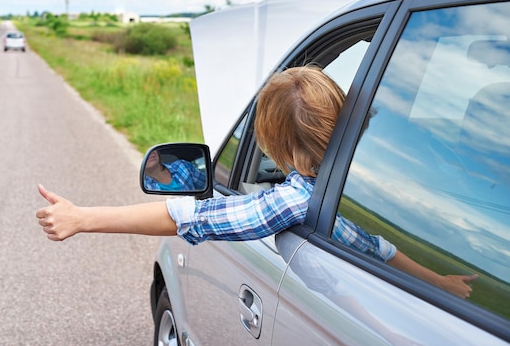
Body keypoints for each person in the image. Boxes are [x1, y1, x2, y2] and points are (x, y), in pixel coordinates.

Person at [36, 66, 477, 299]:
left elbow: (191, 214)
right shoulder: (353, 184)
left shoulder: (293, 202)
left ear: (273, 144)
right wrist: (436, 281)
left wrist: (82, 217)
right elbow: (377, 246)